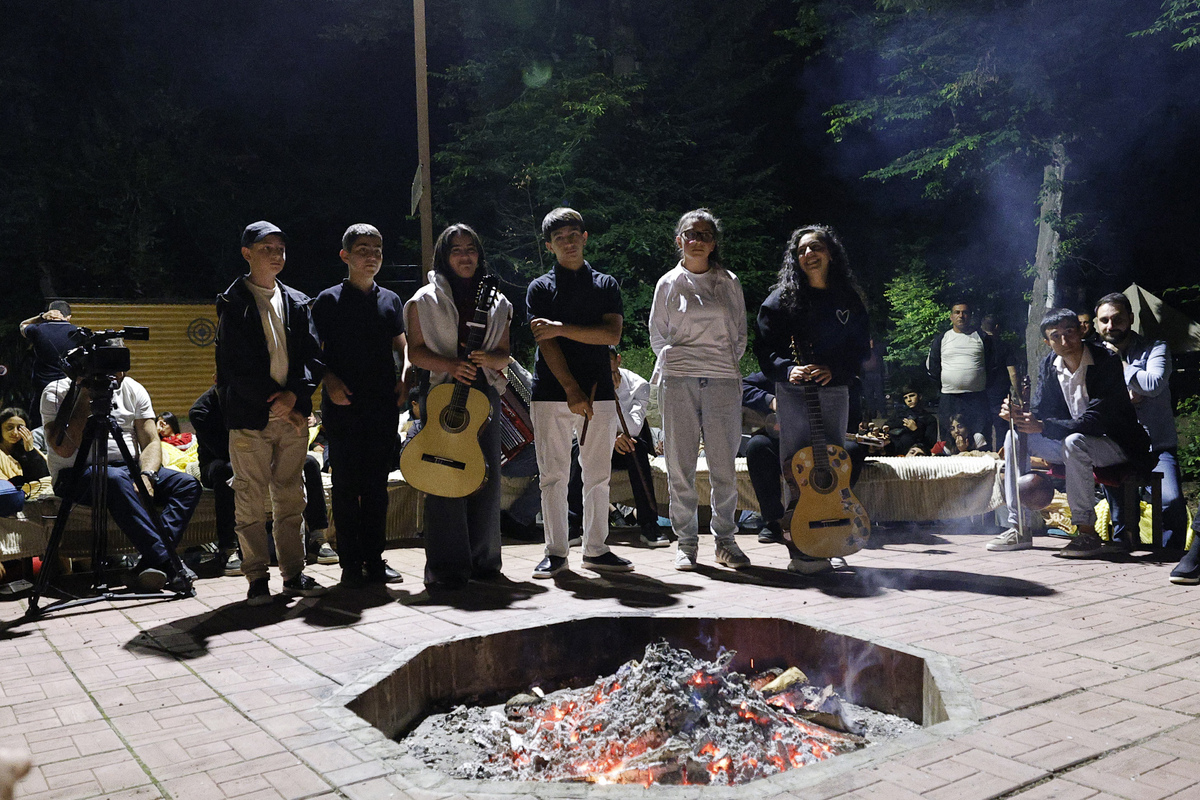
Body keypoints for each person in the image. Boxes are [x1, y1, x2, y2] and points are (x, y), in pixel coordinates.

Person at [215, 220, 327, 605]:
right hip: (251, 416)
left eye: (280, 249)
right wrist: (275, 400)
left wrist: (295, 396)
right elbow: (234, 366)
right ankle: (256, 577)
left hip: (292, 415)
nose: (276, 255)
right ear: (247, 254)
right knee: (249, 498)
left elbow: (313, 357)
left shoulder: (297, 300)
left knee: (292, 497)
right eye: (267, 249)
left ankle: (294, 573)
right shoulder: (234, 302)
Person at [987, 309, 1152, 556]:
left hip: (1115, 444)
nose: (1064, 341)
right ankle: (1019, 526)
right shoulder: (1049, 364)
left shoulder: (1105, 361)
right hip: (1068, 442)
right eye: (1056, 336)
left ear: (1082, 331)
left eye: (1069, 332)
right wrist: (1018, 416)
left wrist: (1043, 426)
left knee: (1075, 442)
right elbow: (1041, 409)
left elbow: (1096, 420)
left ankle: (1087, 532)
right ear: (1047, 342)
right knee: (1015, 435)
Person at [525, 208, 633, 578]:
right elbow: (545, 342)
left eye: (573, 235)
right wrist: (571, 388)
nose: (568, 243)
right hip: (551, 390)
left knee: (598, 474)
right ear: (549, 246)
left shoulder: (606, 284)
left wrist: (560, 327)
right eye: (559, 238)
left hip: (599, 388)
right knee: (553, 475)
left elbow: (611, 334)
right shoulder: (540, 288)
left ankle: (596, 549)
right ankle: (556, 552)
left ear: (584, 237)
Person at [757, 224, 871, 574]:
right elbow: (764, 349)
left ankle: (831, 539)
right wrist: (787, 369)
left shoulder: (848, 299)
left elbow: (860, 351)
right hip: (794, 393)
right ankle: (803, 548)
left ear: (830, 253)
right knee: (797, 468)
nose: (809, 254)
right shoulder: (780, 301)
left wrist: (836, 370)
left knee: (832, 464)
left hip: (834, 391)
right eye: (802, 250)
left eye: (816, 247)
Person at [405, 223, 511, 589]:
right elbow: (416, 353)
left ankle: (485, 561)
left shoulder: (498, 301)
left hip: (484, 395)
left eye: (471, 249)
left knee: (485, 476)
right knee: (443, 476)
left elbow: (504, 354)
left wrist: (487, 358)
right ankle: (446, 567)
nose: (465, 256)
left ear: (479, 255)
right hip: (441, 393)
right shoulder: (423, 300)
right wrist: (451, 365)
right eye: (456, 250)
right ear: (444, 257)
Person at [41, 367, 200, 592]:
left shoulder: (133, 388)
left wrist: (147, 475)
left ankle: (151, 563)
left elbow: (151, 442)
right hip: (75, 475)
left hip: (127, 469)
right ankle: (171, 564)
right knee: (114, 479)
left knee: (187, 484)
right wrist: (85, 393)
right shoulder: (56, 391)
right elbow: (64, 449)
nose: (116, 374)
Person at [650, 209, 749, 571]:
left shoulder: (729, 282)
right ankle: (686, 542)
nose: (697, 240)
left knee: (724, 464)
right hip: (679, 379)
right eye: (691, 234)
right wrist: (683, 362)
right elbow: (658, 335)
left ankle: (725, 541)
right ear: (679, 240)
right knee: (680, 465)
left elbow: (739, 335)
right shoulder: (667, 283)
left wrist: (715, 362)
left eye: (705, 234)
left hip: (722, 379)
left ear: (713, 242)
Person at [313, 224, 408, 587]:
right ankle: (350, 563)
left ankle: (375, 558)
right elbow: (312, 353)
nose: (372, 256)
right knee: (345, 486)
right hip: (343, 406)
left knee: (376, 487)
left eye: (377, 250)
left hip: (382, 405)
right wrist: (330, 380)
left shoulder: (391, 300)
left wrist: (406, 376)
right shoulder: (327, 300)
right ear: (346, 255)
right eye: (363, 250)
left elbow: (403, 345)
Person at [1093, 292, 1187, 554]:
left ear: (1131, 318)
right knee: (1120, 511)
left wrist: (1120, 364)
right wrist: (1126, 394)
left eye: (1117, 319)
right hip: (1116, 447)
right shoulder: (1091, 356)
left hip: (1156, 445)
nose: (1111, 326)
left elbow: (1153, 384)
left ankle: (1172, 554)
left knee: (1171, 500)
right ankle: (1123, 547)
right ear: (1096, 324)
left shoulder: (1156, 348)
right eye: (1104, 320)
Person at [608, 347, 667, 547]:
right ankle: (572, 523)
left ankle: (649, 524)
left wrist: (613, 395)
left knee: (636, 447)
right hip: (596, 443)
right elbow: (578, 427)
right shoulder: (584, 382)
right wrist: (610, 437)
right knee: (575, 448)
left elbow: (633, 428)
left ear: (618, 360)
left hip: (623, 447)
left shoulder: (638, 385)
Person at [189, 384, 242, 576]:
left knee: (308, 463)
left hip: (250, 456)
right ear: (216, 378)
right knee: (226, 470)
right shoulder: (200, 410)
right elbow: (222, 451)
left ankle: (317, 538)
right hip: (214, 463)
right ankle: (228, 548)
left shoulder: (246, 396)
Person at [927, 300, 994, 449]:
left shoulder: (982, 338)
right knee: (949, 440)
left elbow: (991, 365)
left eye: (965, 312)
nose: (961, 316)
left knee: (980, 438)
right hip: (949, 397)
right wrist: (946, 384)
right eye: (957, 312)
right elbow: (933, 367)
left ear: (970, 316)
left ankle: (983, 462)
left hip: (976, 397)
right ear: (951, 316)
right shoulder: (942, 339)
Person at [19, 301, 78, 427]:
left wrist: (41, 317)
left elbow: (23, 325)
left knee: (37, 426)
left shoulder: (37, 329)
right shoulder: (77, 332)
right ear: (69, 317)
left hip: (42, 388)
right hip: (68, 389)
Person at [979, 314, 1020, 444]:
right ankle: (1002, 454)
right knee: (1002, 431)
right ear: (997, 327)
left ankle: (984, 455)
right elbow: (1013, 373)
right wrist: (1019, 395)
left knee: (982, 432)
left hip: (979, 393)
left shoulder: (977, 346)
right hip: (1000, 394)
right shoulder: (1005, 346)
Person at [0, 407, 50, 501]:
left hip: (33, 495)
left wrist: (30, 451)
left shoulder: (26, 450)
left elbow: (43, 476)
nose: (15, 432)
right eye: (10, 427)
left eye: (20, 428)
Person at [885, 387, 937, 456]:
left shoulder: (929, 419)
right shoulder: (898, 414)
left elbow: (930, 443)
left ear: (919, 396)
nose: (909, 400)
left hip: (913, 454)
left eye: (912, 396)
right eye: (905, 398)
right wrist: (885, 429)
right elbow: (887, 425)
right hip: (891, 451)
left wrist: (916, 430)